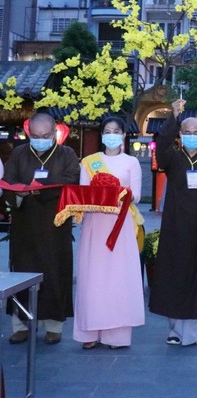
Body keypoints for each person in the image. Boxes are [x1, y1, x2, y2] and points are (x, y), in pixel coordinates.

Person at [148, 99, 197, 346]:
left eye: (196, 133)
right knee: (173, 279)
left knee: (196, 281)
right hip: (174, 230)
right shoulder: (173, 160)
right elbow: (160, 147)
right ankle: (174, 330)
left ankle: (196, 329)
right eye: (187, 132)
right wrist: (173, 116)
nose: (192, 136)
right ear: (181, 135)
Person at [4, 112, 80, 345]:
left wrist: (40, 188)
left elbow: (72, 181)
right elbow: (8, 180)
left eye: (45, 135)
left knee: (55, 274)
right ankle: (21, 325)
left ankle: (54, 326)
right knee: (22, 274)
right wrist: (19, 193)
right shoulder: (18, 153)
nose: (40, 139)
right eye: (35, 136)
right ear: (29, 133)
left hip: (55, 225)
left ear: (54, 133)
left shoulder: (67, 154)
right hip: (25, 224)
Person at [74, 117, 145, 349]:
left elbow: (137, 195)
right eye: (107, 131)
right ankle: (89, 332)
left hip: (121, 225)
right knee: (93, 278)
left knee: (118, 278)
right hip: (95, 225)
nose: (111, 135)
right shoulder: (89, 162)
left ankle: (117, 335)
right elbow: (83, 195)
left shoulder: (131, 163)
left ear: (123, 135)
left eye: (116, 131)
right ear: (102, 134)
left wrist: (116, 192)